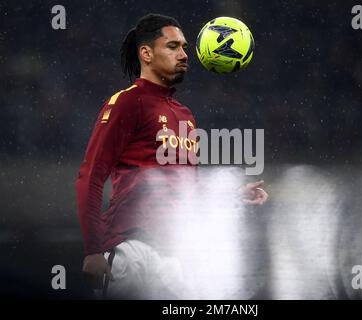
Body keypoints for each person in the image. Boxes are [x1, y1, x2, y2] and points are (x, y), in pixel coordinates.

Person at [76, 13, 268, 299]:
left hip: (176, 257)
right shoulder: (128, 102)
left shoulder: (185, 116)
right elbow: (91, 176)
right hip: (132, 250)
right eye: (173, 46)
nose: (183, 54)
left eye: (185, 48)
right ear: (146, 54)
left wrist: (230, 195)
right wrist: (93, 250)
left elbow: (184, 189)